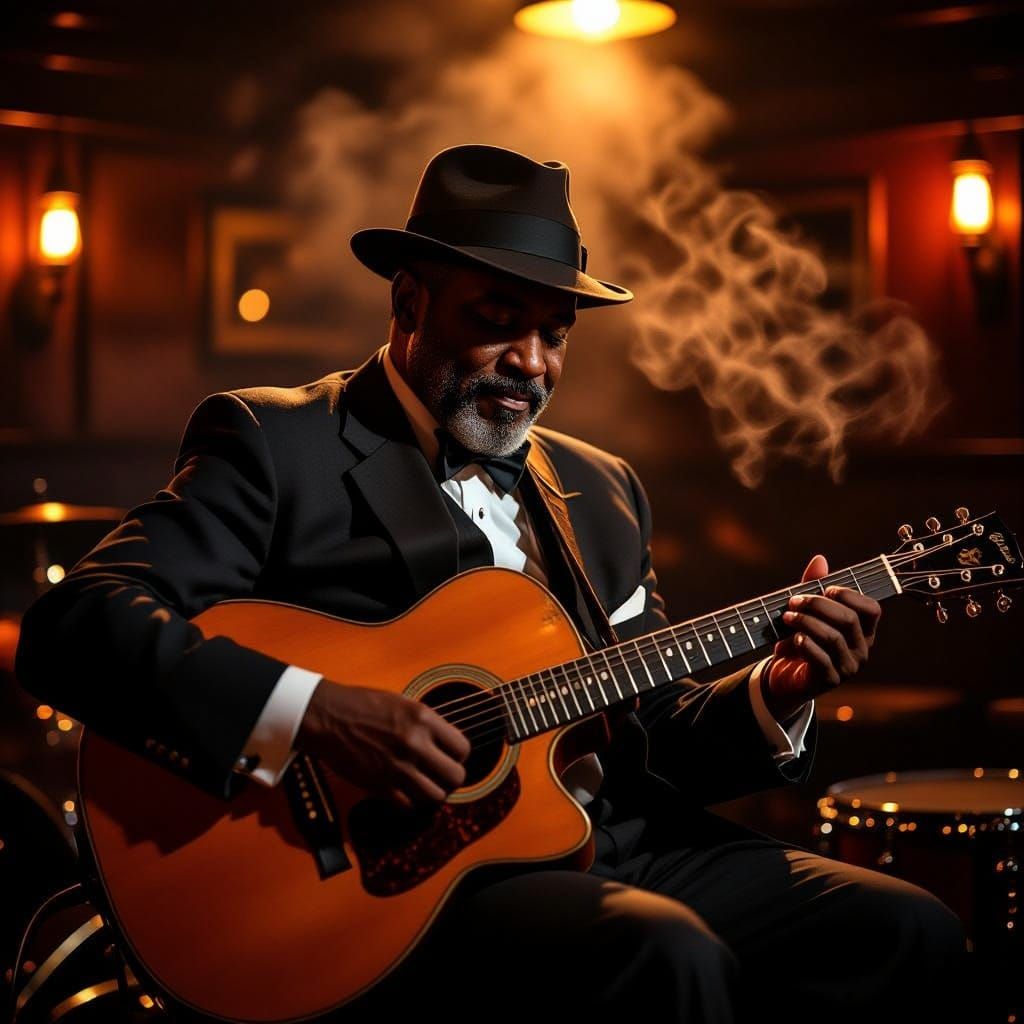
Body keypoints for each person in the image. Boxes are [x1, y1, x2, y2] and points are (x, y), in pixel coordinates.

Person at [16, 144, 965, 1022]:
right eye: (497, 321)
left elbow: (653, 734)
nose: (533, 362)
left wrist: (774, 695)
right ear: (410, 302)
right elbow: (77, 624)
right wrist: (315, 712)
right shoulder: (277, 445)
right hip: (409, 882)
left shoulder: (601, 489)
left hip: (618, 841)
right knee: (664, 956)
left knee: (909, 928)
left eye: (556, 333)